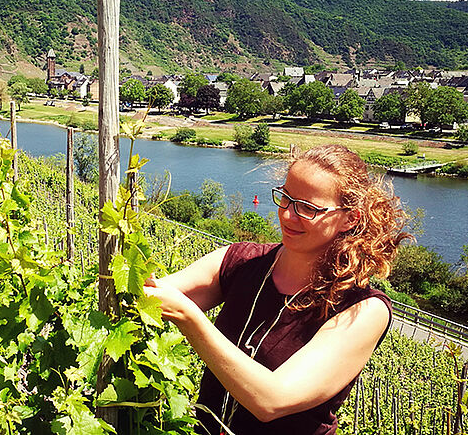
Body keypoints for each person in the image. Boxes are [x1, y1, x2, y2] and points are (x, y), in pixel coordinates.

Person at [144, 144, 410, 435]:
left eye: (308, 208)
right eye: (285, 198)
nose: (287, 215)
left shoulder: (362, 310)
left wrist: (188, 316)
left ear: (350, 218)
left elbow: (272, 400)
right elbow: (150, 295)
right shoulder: (241, 260)